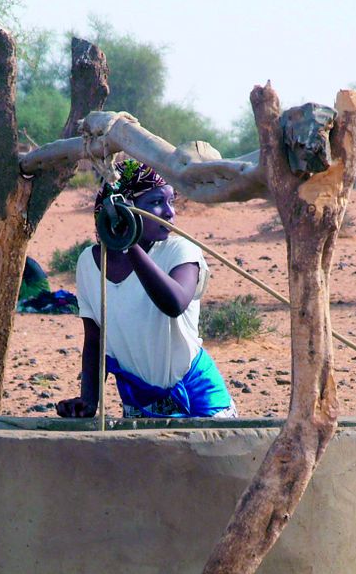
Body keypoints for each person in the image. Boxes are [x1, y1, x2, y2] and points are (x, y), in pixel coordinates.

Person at [56, 161, 236, 419]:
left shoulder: (180, 251)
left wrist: (130, 246)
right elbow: (95, 339)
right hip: (139, 404)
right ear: (119, 210)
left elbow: (174, 303)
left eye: (171, 202)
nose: (169, 213)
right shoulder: (89, 262)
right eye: (155, 203)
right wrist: (88, 400)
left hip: (198, 401)